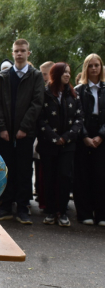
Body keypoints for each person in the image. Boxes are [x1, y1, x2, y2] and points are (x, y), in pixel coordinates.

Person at [0, 39, 44, 225]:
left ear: (28, 53)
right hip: (6, 132)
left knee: (23, 170)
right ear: (12, 53)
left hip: (25, 133)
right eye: (16, 51)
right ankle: (5, 206)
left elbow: (37, 102)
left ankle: (22, 208)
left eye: (23, 50)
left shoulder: (35, 76)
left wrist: (24, 128)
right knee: (5, 169)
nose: (19, 53)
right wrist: (3, 128)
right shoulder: (3, 76)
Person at [37, 62, 83, 227]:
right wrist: (54, 137)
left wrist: (66, 137)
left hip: (68, 145)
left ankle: (62, 212)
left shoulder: (73, 94)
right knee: (49, 177)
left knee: (64, 177)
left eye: (69, 72)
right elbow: (40, 119)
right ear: (55, 73)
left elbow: (79, 119)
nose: (67, 75)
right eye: (64, 72)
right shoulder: (45, 93)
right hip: (48, 144)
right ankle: (50, 211)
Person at [74, 53, 105, 226]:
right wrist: (85, 136)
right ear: (86, 68)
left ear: (101, 67)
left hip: (102, 136)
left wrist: (101, 136)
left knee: (101, 176)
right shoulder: (79, 90)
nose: (94, 68)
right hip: (83, 135)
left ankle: (101, 214)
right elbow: (78, 115)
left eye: (97, 65)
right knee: (83, 175)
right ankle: (84, 212)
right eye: (90, 65)